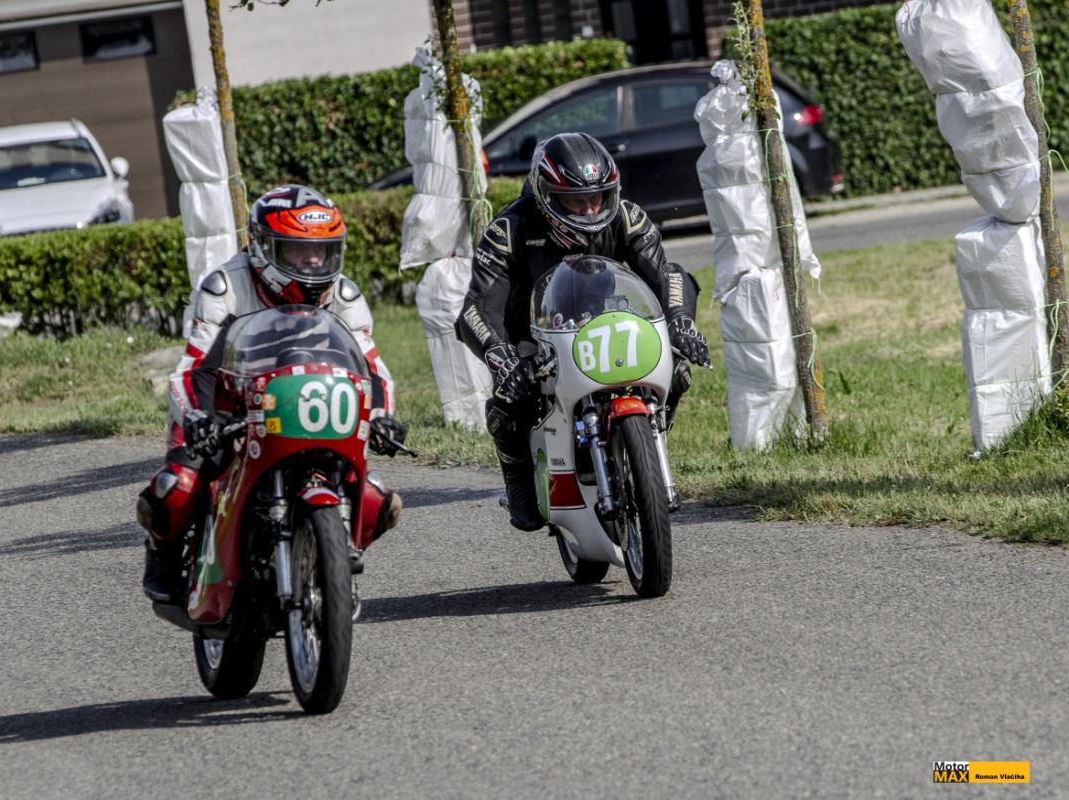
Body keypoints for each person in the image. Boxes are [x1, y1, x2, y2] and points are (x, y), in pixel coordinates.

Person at [136, 184, 408, 602]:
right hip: (228, 409)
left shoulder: (345, 295)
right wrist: (198, 418)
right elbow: (195, 368)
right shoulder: (224, 287)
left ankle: (334, 554)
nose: (313, 263)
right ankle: (164, 555)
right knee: (177, 487)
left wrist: (382, 416)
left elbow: (372, 368)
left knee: (379, 501)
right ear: (262, 247)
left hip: (306, 404)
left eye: (323, 252)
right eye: (299, 251)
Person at [456, 132, 709, 532]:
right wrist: (500, 357)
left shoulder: (627, 217)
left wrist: (680, 320)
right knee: (511, 400)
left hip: (609, 321)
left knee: (677, 369)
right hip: (532, 336)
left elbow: (669, 276)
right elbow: (475, 309)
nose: (590, 210)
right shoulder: (509, 230)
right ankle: (517, 477)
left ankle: (649, 437)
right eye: (576, 201)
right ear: (547, 197)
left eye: (597, 198)